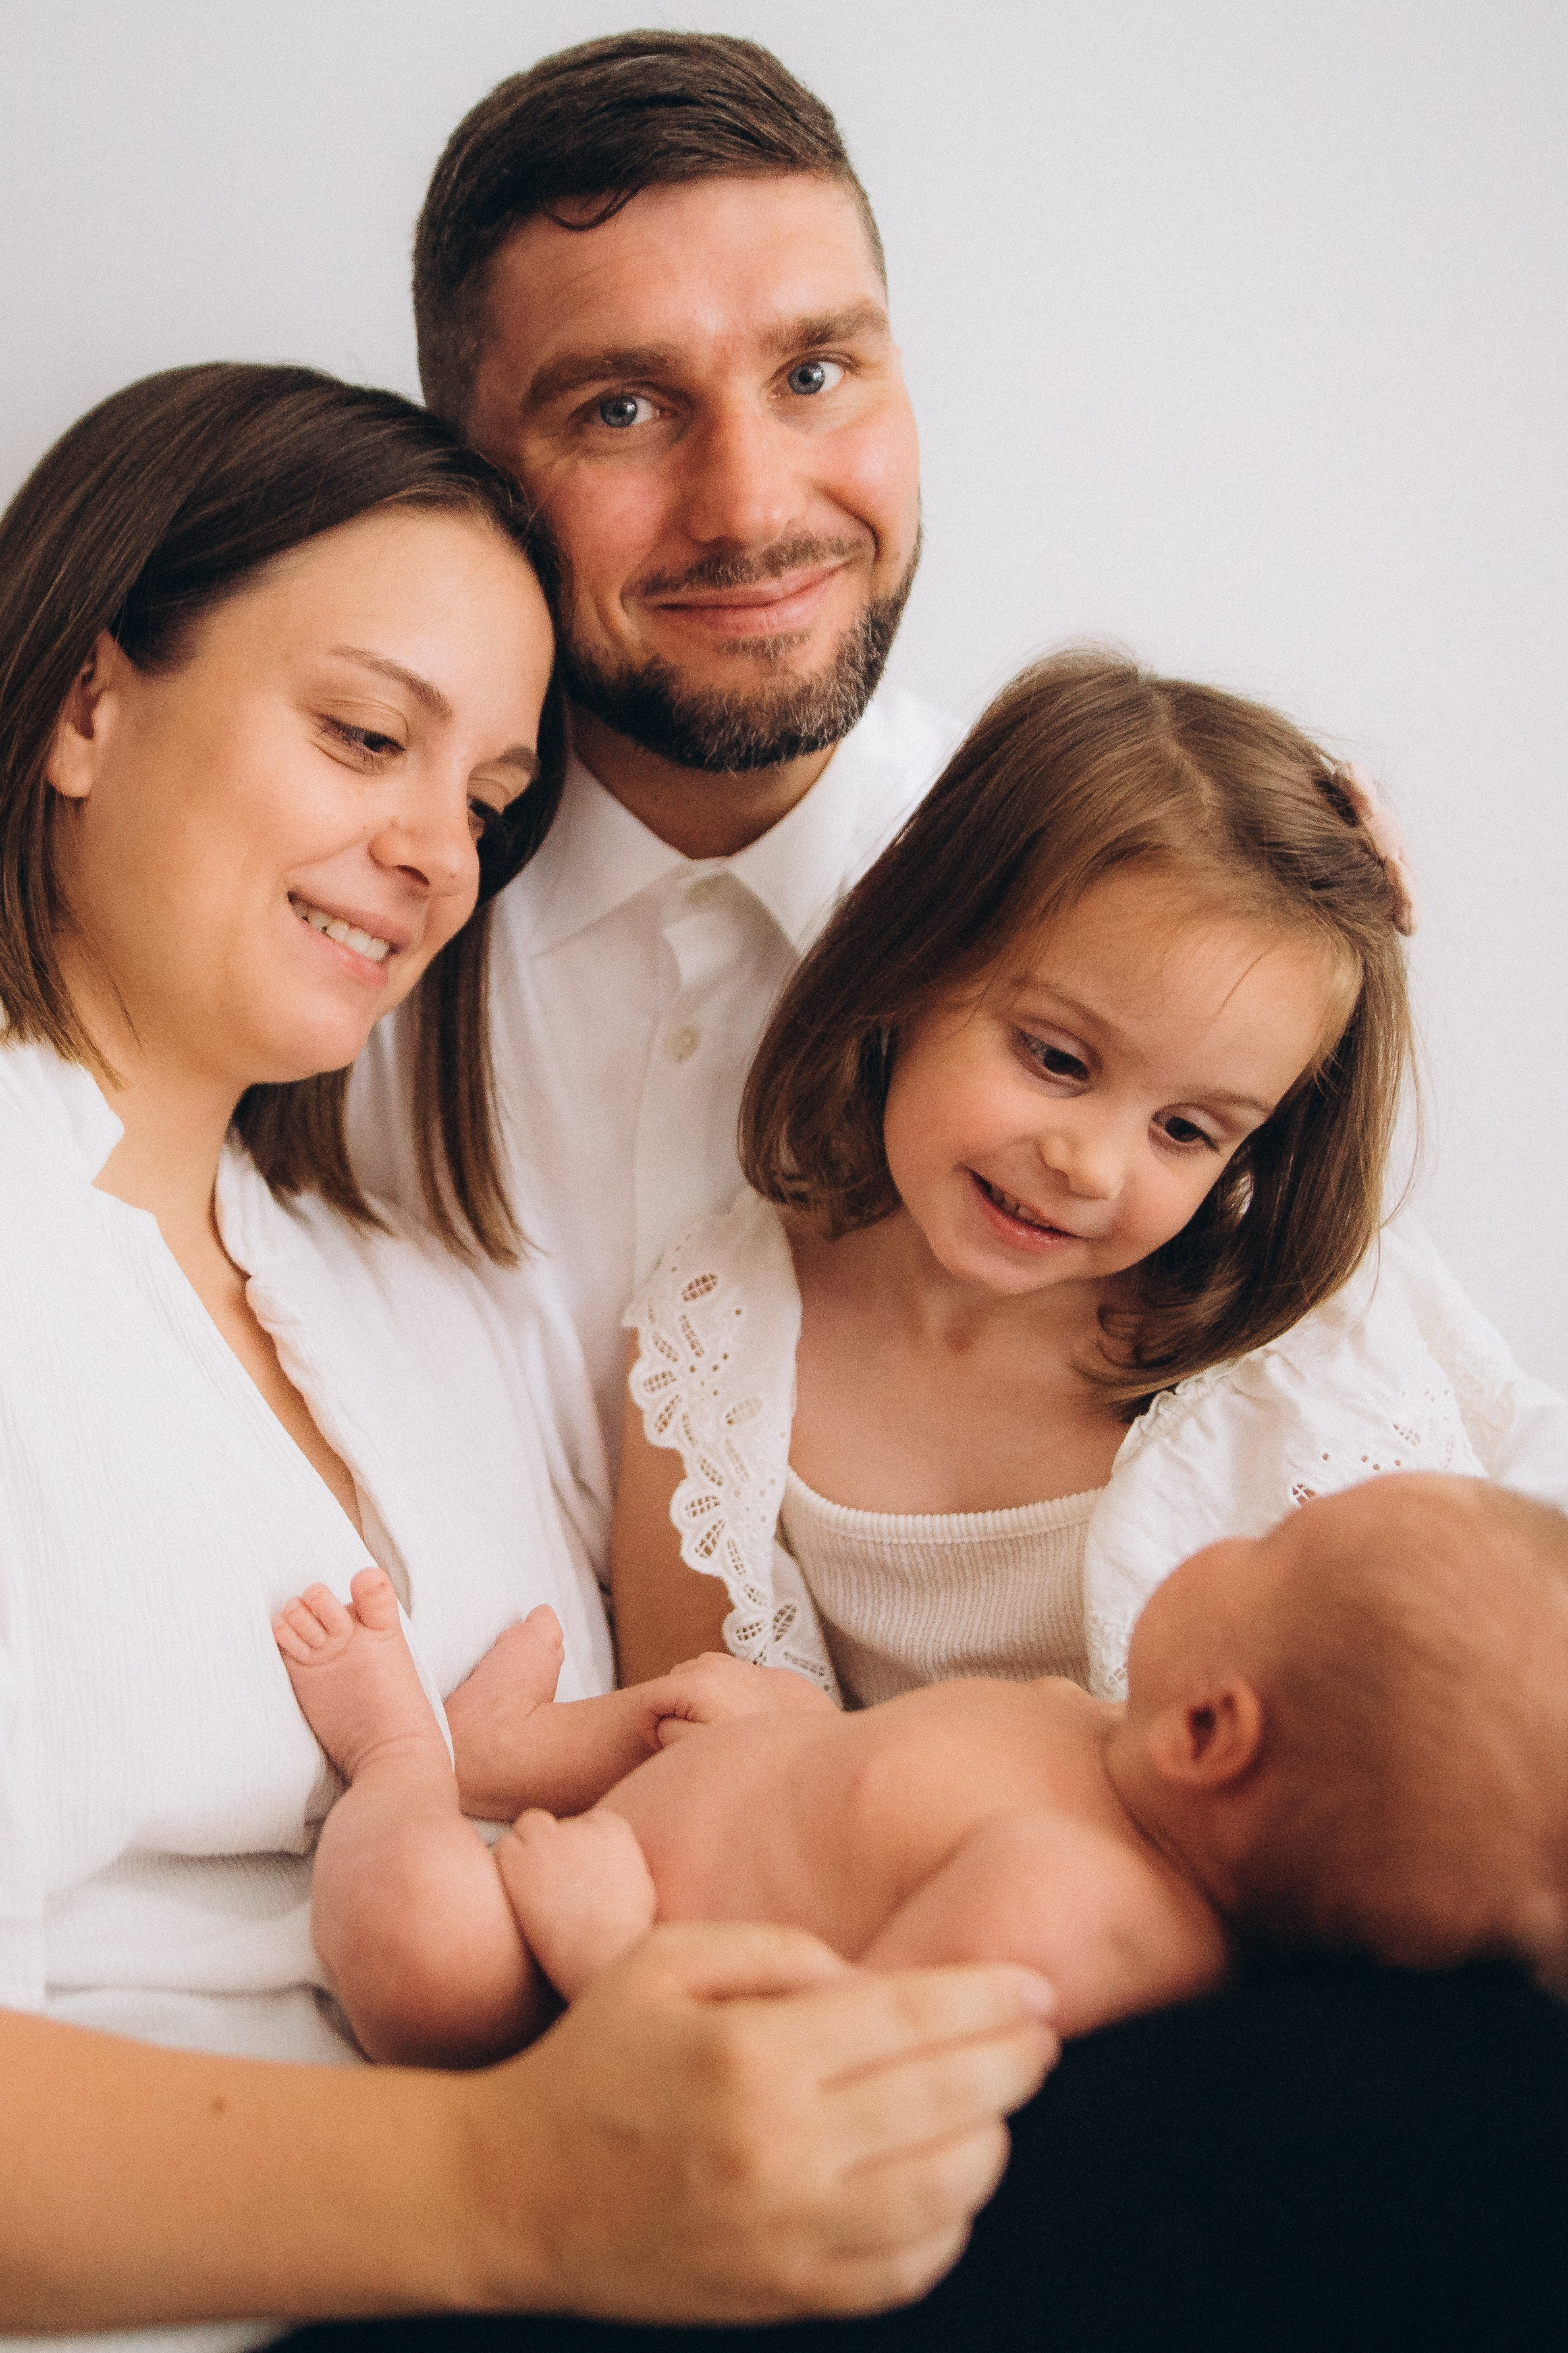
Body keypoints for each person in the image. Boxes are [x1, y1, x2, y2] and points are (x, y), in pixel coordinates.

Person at [0, 362, 1055, 2352]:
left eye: (486, 802)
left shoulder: (418, 1287)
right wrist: (529, 2189)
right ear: (86, 699)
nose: (430, 852)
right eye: (362, 735)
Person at [611, 651, 1567, 1698]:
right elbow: (682, 1734)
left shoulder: (1304, 1351)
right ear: (917, 958)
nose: (1091, 1167)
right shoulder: (715, 1346)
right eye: (1057, 1060)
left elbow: (1470, 1694)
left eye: (1188, 1131)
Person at [346, 32, 959, 1511]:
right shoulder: (322, 937)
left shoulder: (1148, 923)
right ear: (466, 472)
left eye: (815, 372)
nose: (749, 507)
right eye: (623, 408)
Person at [271, 1473, 1568, 2064]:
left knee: (424, 1945)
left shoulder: (1073, 1911)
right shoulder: (1121, 1759)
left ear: (1213, 1734)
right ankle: (498, 1750)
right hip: (694, 1808)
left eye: (1283, 1541)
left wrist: (614, 1957)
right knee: (740, 1691)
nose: (1256, 1518)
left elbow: (829, 2073)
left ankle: (401, 1760)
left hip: (578, 1965)